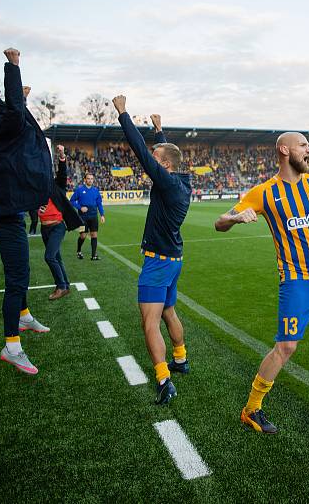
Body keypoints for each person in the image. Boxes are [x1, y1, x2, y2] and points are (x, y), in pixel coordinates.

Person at [214, 131, 309, 435]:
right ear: (284, 150)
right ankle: (251, 408)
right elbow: (219, 223)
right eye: (304, 145)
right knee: (287, 345)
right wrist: (235, 219)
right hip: (296, 280)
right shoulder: (263, 192)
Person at [0, 47, 52, 375]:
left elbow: (15, 112)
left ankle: (25, 315)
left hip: (9, 213)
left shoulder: (0, 140)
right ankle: (11, 346)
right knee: (16, 279)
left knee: (22, 273)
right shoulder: (7, 133)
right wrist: (13, 66)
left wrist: (23, 100)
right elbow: (14, 110)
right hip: (4, 216)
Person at [112, 94, 192, 405]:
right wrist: (160, 131)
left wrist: (123, 114)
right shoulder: (179, 182)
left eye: (157, 157)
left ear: (166, 166)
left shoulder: (168, 183)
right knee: (169, 310)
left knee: (149, 321)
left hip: (158, 263)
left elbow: (145, 155)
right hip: (173, 260)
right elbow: (165, 154)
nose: (152, 159)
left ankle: (163, 378)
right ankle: (180, 358)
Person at [39, 144, 83, 300]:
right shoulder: (37, 191)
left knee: (49, 257)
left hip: (58, 226)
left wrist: (62, 155)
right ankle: (65, 284)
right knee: (56, 257)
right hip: (44, 229)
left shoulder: (57, 185)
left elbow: (62, 172)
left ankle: (61, 286)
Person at [71, 173, 105, 260]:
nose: (90, 180)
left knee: (94, 235)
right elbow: (72, 201)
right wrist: (80, 207)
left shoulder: (96, 190)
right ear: (85, 180)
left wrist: (102, 215)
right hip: (82, 217)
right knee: (83, 235)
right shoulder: (79, 190)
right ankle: (78, 251)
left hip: (93, 216)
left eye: (91, 179)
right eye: (88, 178)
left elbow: (99, 204)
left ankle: (94, 255)